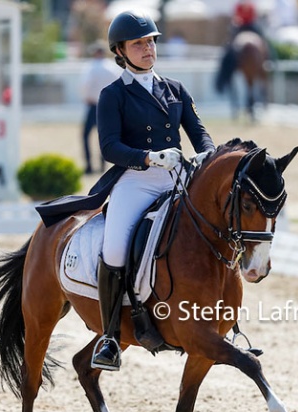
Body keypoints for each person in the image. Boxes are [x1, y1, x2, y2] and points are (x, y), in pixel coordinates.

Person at [90, 10, 216, 371]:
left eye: (150, 42)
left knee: (217, 230)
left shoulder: (175, 89)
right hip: (136, 179)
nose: (148, 49)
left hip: (177, 176)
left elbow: (199, 132)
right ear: (120, 51)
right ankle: (110, 337)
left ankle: (227, 323)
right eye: (138, 44)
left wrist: (207, 155)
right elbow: (109, 148)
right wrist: (149, 157)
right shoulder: (113, 95)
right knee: (114, 248)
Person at [80, 40, 120, 174]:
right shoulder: (112, 68)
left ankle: (89, 165)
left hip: (93, 105)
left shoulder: (91, 67)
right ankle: (103, 163)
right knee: (104, 135)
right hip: (108, 106)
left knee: (86, 135)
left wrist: (86, 97)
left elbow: (86, 85)